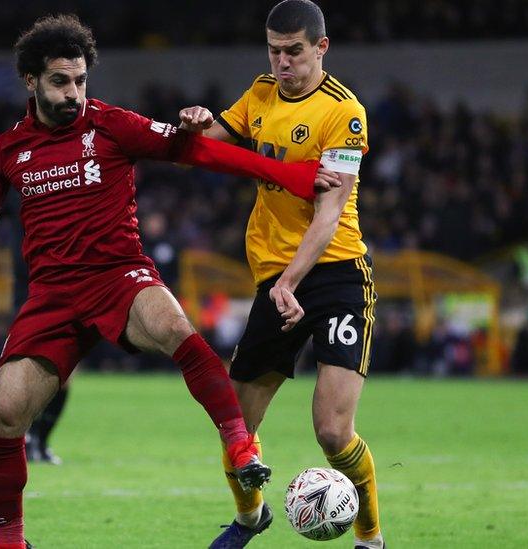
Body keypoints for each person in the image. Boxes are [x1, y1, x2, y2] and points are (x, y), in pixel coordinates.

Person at [0, 15, 341, 549]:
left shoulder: (112, 123)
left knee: (175, 327)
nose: (74, 92)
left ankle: (242, 448)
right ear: (30, 81)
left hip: (120, 277)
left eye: (80, 80)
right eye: (60, 81)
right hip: (52, 296)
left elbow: (201, 151)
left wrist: (295, 175)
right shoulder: (4, 151)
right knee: (4, 414)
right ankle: (9, 542)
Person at [178, 1, 384, 547]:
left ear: (321, 48)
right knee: (236, 430)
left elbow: (330, 211)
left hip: (336, 272)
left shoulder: (345, 112)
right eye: (274, 50)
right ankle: (250, 518)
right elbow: (204, 147)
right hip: (276, 279)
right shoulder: (260, 93)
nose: (283, 62)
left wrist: (292, 280)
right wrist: (196, 125)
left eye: (294, 51)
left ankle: (369, 538)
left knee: (333, 432)